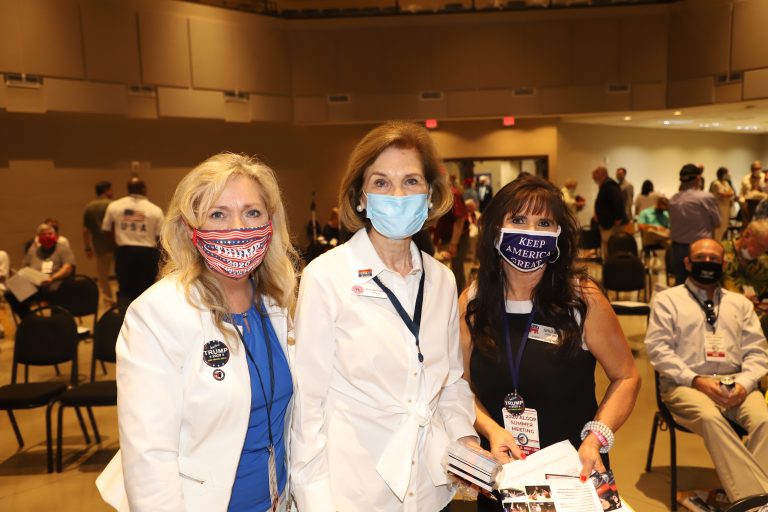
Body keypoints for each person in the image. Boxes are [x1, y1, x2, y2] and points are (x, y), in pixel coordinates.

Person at [291, 121, 478, 511]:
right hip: (354, 492)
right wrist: (314, 500)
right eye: (381, 182)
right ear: (360, 198)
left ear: (430, 195)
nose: (397, 195)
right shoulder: (327, 277)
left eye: (411, 181)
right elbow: (307, 405)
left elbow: (450, 382)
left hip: (428, 489)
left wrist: (465, 440)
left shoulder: (441, 280)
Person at [96, 153, 298, 511]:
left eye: (252, 212)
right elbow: (149, 457)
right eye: (218, 214)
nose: (238, 227)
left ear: (271, 221)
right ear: (190, 228)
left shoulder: (278, 302)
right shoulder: (158, 313)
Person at [460, 175, 640, 512]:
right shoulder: (474, 300)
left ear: (559, 234)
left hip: (574, 471)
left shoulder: (582, 299)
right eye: (518, 219)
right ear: (495, 229)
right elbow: (460, 385)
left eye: (544, 223)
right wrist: (491, 430)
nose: (531, 232)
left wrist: (597, 437)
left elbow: (627, 376)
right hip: (504, 472)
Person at [644, 238, 768, 502]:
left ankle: (744, 498)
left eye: (714, 259)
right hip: (685, 385)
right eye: (701, 258)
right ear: (688, 263)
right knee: (711, 419)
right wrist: (696, 380)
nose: (707, 263)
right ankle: (755, 502)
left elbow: (757, 352)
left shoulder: (740, 304)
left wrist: (745, 384)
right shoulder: (668, 300)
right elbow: (658, 350)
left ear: (724, 264)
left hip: (737, 384)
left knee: (765, 421)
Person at [102, 177, 164, 303]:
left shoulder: (114, 206)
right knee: (146, 291)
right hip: (147, 254)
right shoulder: (155, 210)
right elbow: (160, 237)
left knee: (125, 289)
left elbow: (106, 229)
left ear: (128, 189)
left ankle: (124, 313)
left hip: (124, 252)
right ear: (144, 189)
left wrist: (116, 243)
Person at [4, 223, 76, 319]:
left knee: (53, 290)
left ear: (55, 235)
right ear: (39, 238)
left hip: (55, 281)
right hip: (34, 284)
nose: (47, 236)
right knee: (10, 293)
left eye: (50, 234)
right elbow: (24, 268)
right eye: (44, 234)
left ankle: (57, 320)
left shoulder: (63, 249)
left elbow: (68, 268)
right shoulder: (33, 251)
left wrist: (52, 278)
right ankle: (30, 319)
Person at [669, 163, 720, 285]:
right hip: (700, 249)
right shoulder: (705, 198)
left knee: (681, 286)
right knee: (702, 285)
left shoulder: (673, 199)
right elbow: (717, 223)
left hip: (676, 248)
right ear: (698, 179)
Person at [83, 180, 116, 305]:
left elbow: (85, 231)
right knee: (122, 274)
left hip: (99, 247)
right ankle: (123, 299)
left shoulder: (89, 207)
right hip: (117, 246)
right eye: (111, 189)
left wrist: (87, 248)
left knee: (103, 276)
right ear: (106, 190)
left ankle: (108, 300)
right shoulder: (113, 205)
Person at [436, 173, 470, 293]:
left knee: (456, 272)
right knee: (451, 271)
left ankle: (459, 298)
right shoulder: (443, 195)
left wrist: (453, 244)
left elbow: (459, 221)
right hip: (447, 239)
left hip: (457, 239)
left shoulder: (453, 195)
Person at [723, 220, 768, 308]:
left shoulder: (764, 263)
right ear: (747, 234)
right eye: (760, 245)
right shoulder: (721, 253)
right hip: (725, 307)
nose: (761, 252)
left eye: (766, 249)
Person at [591, 166, 628, 257]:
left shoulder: (610, 185)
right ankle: (609, 263)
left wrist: (618, 218)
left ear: (601, 174)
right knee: (607, 247)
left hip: (611, 224)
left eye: (595, 176)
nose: (593, 178)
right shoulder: (605, 186)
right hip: (607, 224)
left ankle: (612, 264)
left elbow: (618, 201)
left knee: (612, 247)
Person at [710, 167, 735, 241]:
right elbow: (723, 194)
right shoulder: (716, 183)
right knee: (718, 227)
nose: (728, 175)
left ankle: (719, 241)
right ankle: (715, 241)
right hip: (719, 207)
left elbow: (732, 191)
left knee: (724, 226)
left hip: (726, 207)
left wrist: (729, 193)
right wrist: (728, 193)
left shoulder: (726, 183)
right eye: (726, 173)